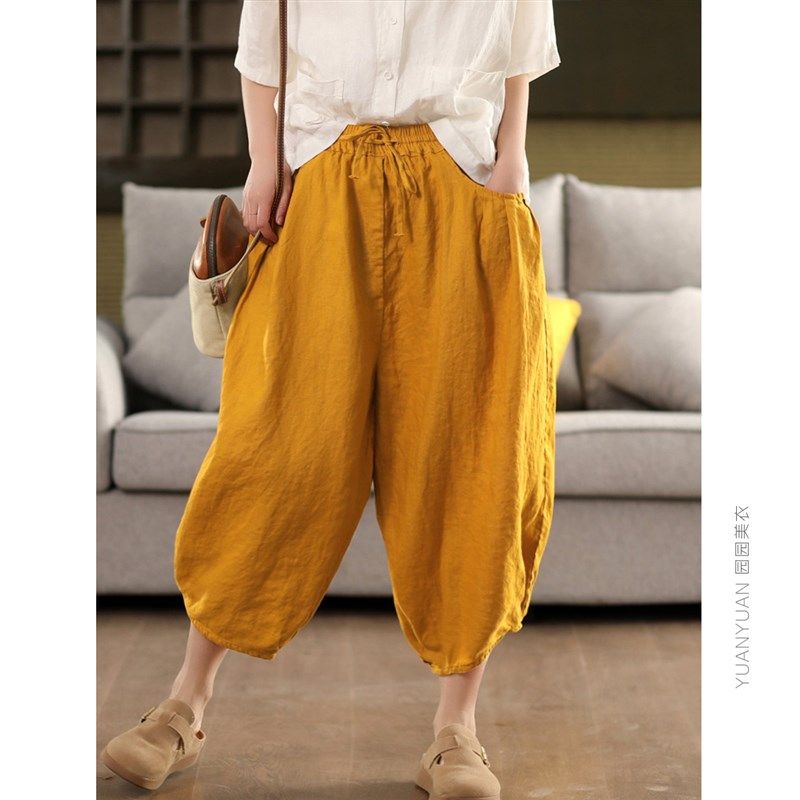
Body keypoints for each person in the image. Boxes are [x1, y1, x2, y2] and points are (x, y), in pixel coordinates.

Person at [100, 1, 560, 796]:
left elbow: (524, 34)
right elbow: (260, 43)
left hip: (463, 185)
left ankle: (457, 732)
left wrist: (511, 158)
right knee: (275, 445)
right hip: (319, 186)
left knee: (470, 457)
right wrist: (262, 161)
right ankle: (183, 705)